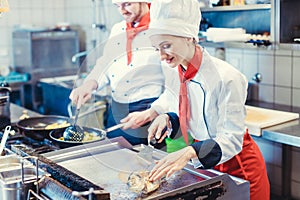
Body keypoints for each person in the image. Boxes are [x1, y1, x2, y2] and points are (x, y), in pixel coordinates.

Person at [146, 0, 270, 199]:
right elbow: (185, 108)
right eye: (156, 49)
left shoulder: (227, 77)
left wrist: (188, 153)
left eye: (166, 46)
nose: (161, 56)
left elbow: (231, 139)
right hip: (204, 164)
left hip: (238, 167)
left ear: (189, 37)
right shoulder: (174, 69)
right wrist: (167, 117)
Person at [69, 0, 177, 146]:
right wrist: (89, 84)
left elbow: (175, 85)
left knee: (146, 164)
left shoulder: (162, 31)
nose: (122, 11)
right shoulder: (117, 29)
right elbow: (106, 63)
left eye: (127, 4)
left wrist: (152, 113)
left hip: (146, 111)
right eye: (118, 6)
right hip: (116, 110)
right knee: (114, 156)